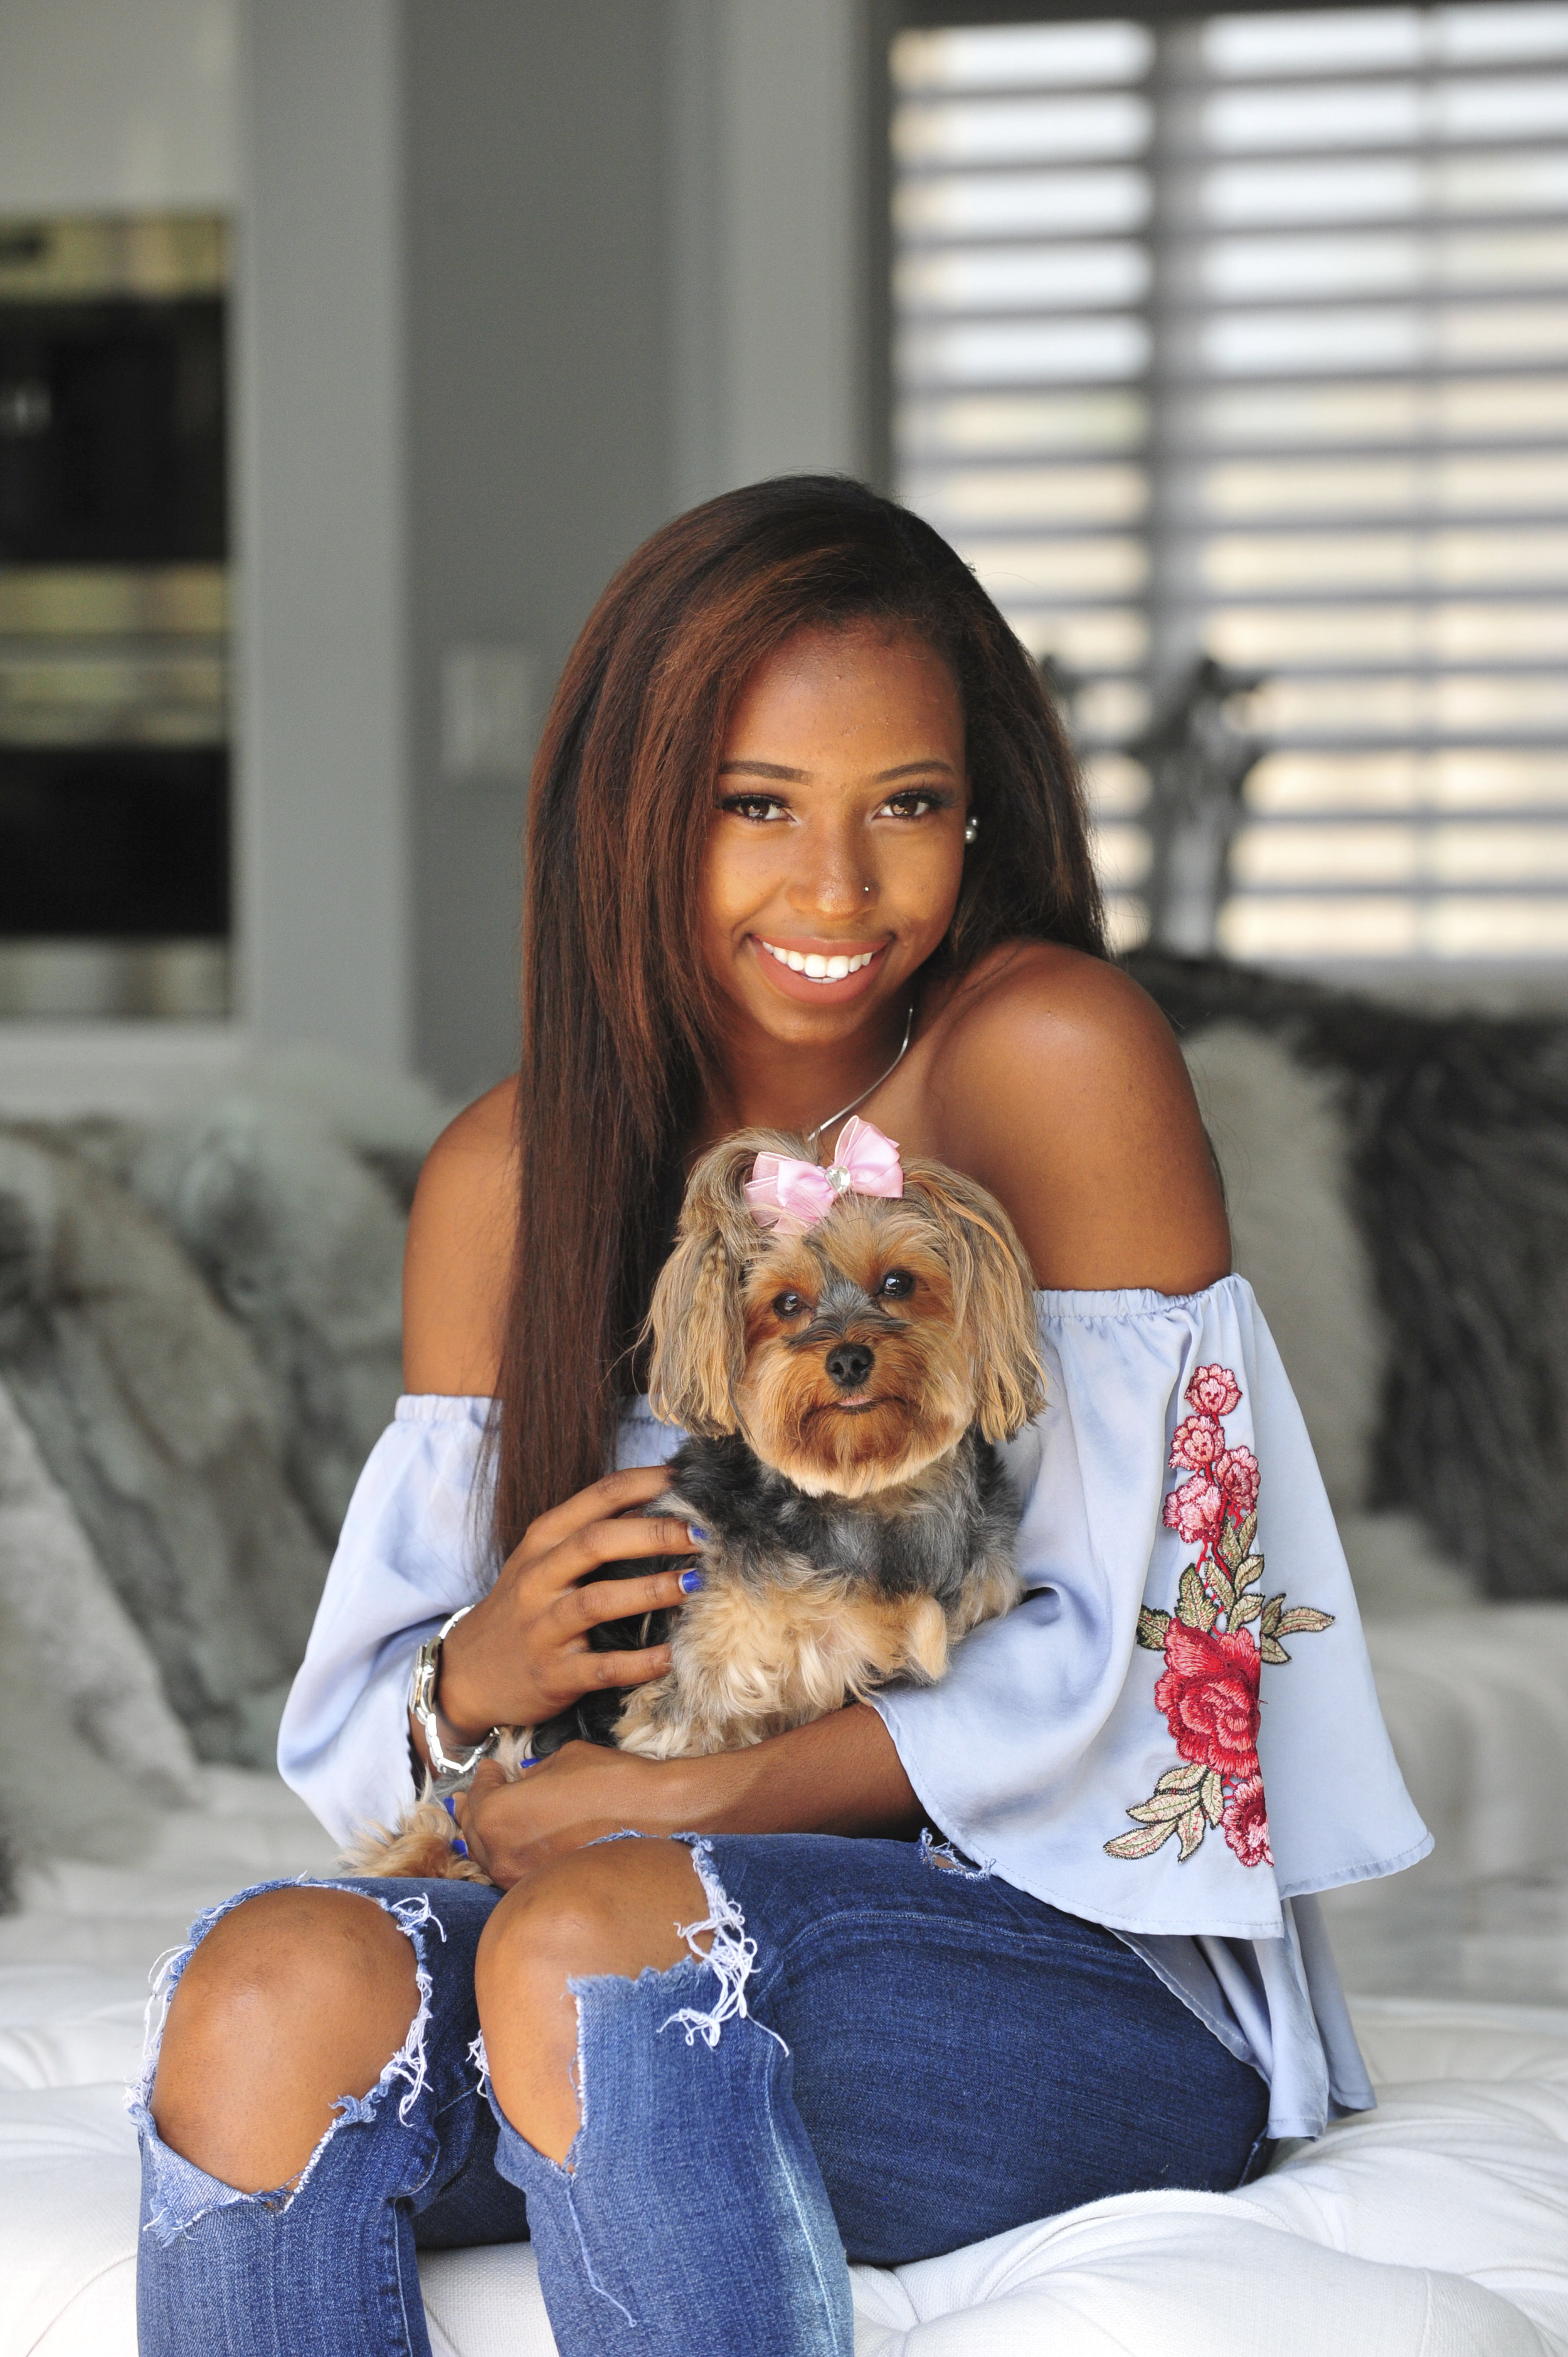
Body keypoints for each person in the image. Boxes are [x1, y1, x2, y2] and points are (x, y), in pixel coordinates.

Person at [133, 478, 1428, 2357]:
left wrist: (679, 1802)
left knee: (593, 1947)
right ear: (634, 816)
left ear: (974, 815)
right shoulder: (510, 1175)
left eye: (903, 805)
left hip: (1048, 1974)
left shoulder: (1050, 1055)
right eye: (758, 806)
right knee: (267, 1985)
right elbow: (380, 1763)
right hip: (596, 1928)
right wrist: (476, 1685)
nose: (838, 892)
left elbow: (1175, 1668)